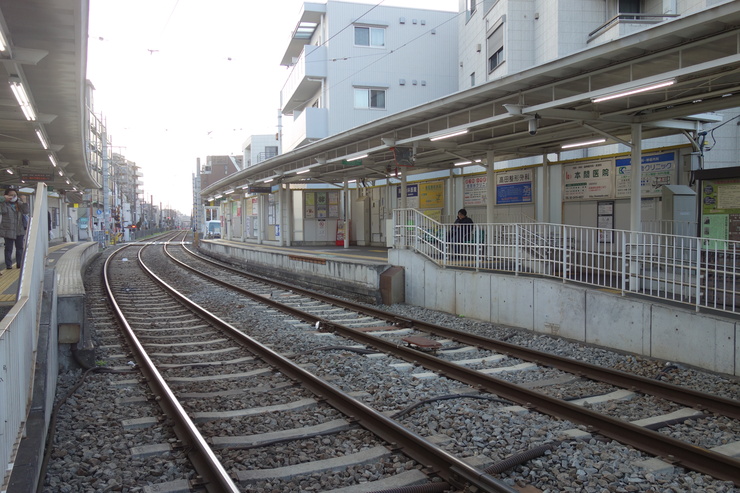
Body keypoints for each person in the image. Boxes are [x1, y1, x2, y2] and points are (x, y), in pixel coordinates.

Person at [0, 187, 29, 270]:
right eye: (10, 195)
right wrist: (3, 200)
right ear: (6, 196)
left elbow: (26, 211)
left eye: (15, 195)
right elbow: (3, 211)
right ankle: (8, 265)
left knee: (20, 248)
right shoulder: (4, 204)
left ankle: (19, 264)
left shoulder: (19, 204)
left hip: (19, 230)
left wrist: (24, 202)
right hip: (7, 230)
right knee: (8, 248)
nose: (13, 197)